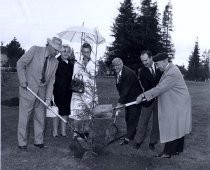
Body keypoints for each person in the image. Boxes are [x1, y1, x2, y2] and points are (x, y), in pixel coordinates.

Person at [136, 53, 192, 158]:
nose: (156, 66)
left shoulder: (172, 72)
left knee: (172, 126)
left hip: (178, 103)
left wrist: (143, 95)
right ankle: (176, 150)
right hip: (178, 102)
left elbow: (160, 88)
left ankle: (167, 153)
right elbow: (160, 86)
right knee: (178, 126)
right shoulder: (168, 70)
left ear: (165, 61)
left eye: (157, 64)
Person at [17, 37, 64, 151]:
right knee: (25, 116)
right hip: (28, 88)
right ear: (50, 46)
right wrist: (23, 80)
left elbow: (51, 81)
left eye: (59, 51)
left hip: (42, 92)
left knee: (40, 117)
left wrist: (48, 98)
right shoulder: (35, 50)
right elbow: (20, 63)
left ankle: (39, 141)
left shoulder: (55, 62)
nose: (57, 53)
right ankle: (22, 142)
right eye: (56, 50)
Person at [133, 51, 162, 150]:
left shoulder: (160, 67)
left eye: (146, 60)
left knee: (156, 122)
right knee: (143, 121)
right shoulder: (142, 72)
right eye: (142, 61)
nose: (144, 63)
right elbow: (147, 87)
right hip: (147, 99)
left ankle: (152, 142)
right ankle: (138, 141)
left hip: (160, 99)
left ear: (151, 58)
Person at [112, 58, 143, 145]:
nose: (116, 68)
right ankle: (131, 134)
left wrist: (119, 103)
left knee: (132, 118)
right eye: (114, 66)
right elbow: (120, 88)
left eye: (117, 65)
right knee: (127, 117)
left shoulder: (128, 73)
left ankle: (127, 138)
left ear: (122, 63)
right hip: (128, 98)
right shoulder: (117, 72)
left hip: (136, 98)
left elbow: (125, 90)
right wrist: (122, 101)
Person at [69, 42, 97, 138]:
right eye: (84, 52)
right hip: (78, 90)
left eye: (88, 52)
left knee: (88, 113)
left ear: (90, 52)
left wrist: (87, 72)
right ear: (82, 52)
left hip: (89, 91)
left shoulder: (94, 64)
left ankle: (86, 132)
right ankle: (76, 132)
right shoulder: (77, 63)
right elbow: (74, 76)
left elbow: (94, 75)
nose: (86, 54)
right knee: (77, 112)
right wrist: (79, 75)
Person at [52, 45, 75, 138]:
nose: (65, 53)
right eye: (64, 51)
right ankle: (55, 132)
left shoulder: (71, 64)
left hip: (68, 91)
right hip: (57, 90)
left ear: (70, 53)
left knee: (65, 112)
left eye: (67, 51)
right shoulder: (55, 62)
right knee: (56, 111)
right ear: (60, 52)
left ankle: (63, 132)